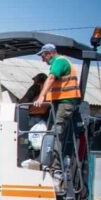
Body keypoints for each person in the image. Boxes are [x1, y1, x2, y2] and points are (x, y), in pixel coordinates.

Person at [33, 43, 82, 179]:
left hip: (65, 103)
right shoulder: (60, 62)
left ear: (50, 53)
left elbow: (51, 78)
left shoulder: (59, 62)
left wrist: (42, 96)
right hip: (59, 103)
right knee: (50, 133)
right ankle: (47, 163)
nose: (42, 59)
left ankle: (55, 168)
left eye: (43, 56)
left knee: (56, 133)